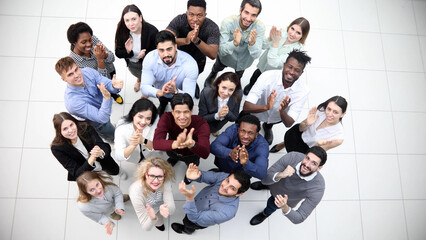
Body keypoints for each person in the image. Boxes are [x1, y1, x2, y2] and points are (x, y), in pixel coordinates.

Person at [242, 49, 311, 145]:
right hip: (254, 111)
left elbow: (288, 123)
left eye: (297, 70)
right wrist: (266, 107)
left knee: (270, 123)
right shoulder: (267, 76)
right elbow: (246, 107)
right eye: (289, 67)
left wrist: (282, 111)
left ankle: (267, 127)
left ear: (301, 73)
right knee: (242, 123)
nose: (291, 72)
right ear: (284, 65)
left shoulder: (303, 91)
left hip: (276, 117)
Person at [249, 146, 327, 225]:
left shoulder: (318, 188)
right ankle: (265, 186)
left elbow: (299, 218)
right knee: (266, 181)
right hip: (275, 182)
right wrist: (281, 174)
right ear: (305, 156)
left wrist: (284, 206)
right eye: (307, 158)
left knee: (271, 206)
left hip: (282, 200)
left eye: (314, 163)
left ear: (319, 168)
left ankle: (264, 214)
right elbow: (265, 177)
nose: (306, 165)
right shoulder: (292, 157)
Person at [55, 56, 123, 142]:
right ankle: (113, 140)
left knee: (108, 124)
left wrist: (114, 86)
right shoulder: (72, 103)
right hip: (98, 123)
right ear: (64, 79)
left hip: (104, 109)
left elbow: (105, 83)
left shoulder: (88, 71)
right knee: (110, 134)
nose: (76, 75)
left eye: (76, 69)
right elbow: (102, 118)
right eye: (70, 74)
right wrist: (107, 98)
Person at [171, 163, 251, 235]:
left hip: (196, 220)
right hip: (195, 203)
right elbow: (204, 176)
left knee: (189, 224)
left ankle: (187, 231)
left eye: (232, 188)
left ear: (239, 194)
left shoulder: (226, 213)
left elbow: (194, 217)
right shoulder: (225, 177)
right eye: (227, 181)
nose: (225, 186)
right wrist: (192, 177)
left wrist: (190, 198)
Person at [204, 0, 265, 87]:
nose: (248, 18)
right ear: (240, 10)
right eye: (246, 12)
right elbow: (221, 51)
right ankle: (213, 74)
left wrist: (252, 44)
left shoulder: (260, 27)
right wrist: (234, 43)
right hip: (226, 58)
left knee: (238, 76)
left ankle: (236, 81)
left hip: (243, 61)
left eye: (253, 15)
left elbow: (256, 55)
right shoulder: (228, 22)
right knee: (217, 67)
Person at [166, 0, 220, 98]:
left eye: (199, 15)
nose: (195, 19)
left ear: (205, 15)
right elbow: (164, 39)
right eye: (191, 14)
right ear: (187, 13)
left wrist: (196, 40)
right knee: (177, 78)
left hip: (198, 61)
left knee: (194, 76)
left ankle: (193, 84)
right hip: (179, 59)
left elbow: (213, 54)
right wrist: (186, 40)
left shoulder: (212, 27)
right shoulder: (180, 20)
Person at [243, 17, 310, 95]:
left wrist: (275, 43)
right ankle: (251, 86)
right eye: (292, 29)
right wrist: (270, 38)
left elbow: (274, 62)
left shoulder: (297, 51)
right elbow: (264, 46)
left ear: (303, 36)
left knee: (265, 85)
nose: (292, 34)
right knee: (256, 76)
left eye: (298, 33)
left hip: (273, 72)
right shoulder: (282, 32)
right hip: (263, 64)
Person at [140, 30, 198, 115]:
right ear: (157, 49)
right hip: (160, 91)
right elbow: (144, 87)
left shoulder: (190, 64)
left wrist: (176, 91)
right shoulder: (150, 58)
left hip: (179, 93)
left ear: (175, 47)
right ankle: (163, 105)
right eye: (161, 50)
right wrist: (160, 92)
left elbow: (189, 96)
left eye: (169, 49)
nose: (166, 54)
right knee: (163, 101)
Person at [50, 112, 119, 181]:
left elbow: (102, 144)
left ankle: (119, 173)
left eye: (71, 125)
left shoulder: (85, 127)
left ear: (75, 122)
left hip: (103, 162)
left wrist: (101, 152)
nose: (71, 130)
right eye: (65, 129)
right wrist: (91, 160)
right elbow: (76, 172)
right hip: (86, 172)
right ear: (59, 132)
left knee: (115, 171)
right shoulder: (57, 148)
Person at [67, 22, 123, 104]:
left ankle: (114, 94)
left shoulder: (93, 39)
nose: (89, 44)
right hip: (98, 84)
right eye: (84, 42)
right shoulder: (74, 63)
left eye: (90, 40)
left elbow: (112, 58)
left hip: (110, 70)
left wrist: (105, 55)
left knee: (113, 84)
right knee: (105, 90)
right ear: (74, 43)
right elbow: (100, 81)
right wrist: (100, 59)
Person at [271, 96, 347, 153]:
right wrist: (307, 123)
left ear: (343, 114)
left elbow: (316, 153)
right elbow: (301, 127)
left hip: (306, 148)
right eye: (329, 109)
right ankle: (283, 144)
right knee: (288, 140)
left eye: (335, 112)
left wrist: (318, 145)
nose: (329, 114)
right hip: (298, 134)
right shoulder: (321, 111)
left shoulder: (338, 138)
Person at [153, 93, 210, 167]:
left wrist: (193, 144)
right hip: (172, 150)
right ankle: (174, 159)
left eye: (186, 112)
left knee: (191, 167)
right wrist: (176, 144)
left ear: (191, 111)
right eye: (178, 112)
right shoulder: (167, 118)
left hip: (191, 154)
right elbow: (156, 143)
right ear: (172, 112)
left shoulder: (201, 123)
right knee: (172, 157)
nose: (182, 117)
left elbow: (205, 153)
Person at [115, 4, 158, 92]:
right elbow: (118, 53)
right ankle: (139, 79)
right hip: (133, 63)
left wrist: (145, 55)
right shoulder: (122, 31)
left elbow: (158, 51)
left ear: (140, 18)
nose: (131, 24)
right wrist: (127, 51)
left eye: (134, 19)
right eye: (127, 20)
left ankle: (147, 87)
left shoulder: (152, 31)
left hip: (148, 63)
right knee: (138, 73)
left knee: (150, 76)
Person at [210, 114, 269, 180]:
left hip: (241, 176)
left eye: (250, 133)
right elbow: (214, 146)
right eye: (243, 131)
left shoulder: (262, 146)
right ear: (238, 130)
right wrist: (230, 153)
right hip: (225, 165)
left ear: (256, 134)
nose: (245, 136)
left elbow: (262, 173)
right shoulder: (233, 129)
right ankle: (221, 172)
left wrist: (246, 163)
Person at [129, 157, 175, 231]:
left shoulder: (166, 181)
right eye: (152, 176)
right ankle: (159, 224)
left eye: (160, 176)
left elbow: (172, 210)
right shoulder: (136, 191)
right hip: (149, 211)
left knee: (160, 219)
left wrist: (167, 208)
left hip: (161, 206)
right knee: (158, 222)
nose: (156, 180)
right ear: (145, 175)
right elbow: (145, 227)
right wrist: (152, 218)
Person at [76, 171, 129, 235]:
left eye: (97, 184)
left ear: (99, 180)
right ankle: (113, 214)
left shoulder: (106, 181)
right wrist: (107, 222)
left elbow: (117, 193)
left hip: (113, 198)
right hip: (107, 211)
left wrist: (119, 206)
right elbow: (99, 217)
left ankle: (120, 200)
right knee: (112, 212)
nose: (98, 190)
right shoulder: (84, 207)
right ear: (85, 192)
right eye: (92, 190)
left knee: (120, 198)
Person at [114, 99, 163, 164]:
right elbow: (118, 156)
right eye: (140, 117)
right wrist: (133, 145)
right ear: (133, 114)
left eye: (148, 118)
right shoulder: (121, 128)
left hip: (150, 154)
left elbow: (157, 145)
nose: (143, 122)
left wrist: (143, 141)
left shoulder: (155, 122)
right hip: (134, 156)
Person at [198, 72, 242, 136]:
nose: (226, 93)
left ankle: (214, 130)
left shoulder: (238, 94)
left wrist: (227, 113)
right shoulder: (206, 93)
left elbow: (234, 117)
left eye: (231, 90)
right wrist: (217, 115)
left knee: (216, 127)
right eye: (224, 87)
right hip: (207, 121)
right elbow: (202, 117)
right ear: (218, 84)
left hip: (221, 123)